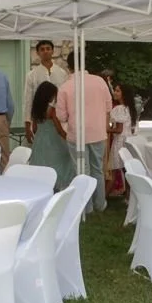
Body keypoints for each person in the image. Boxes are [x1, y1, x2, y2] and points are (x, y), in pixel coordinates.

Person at [56, 51, 113, 211]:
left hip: (76, 134)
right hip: (98, 131)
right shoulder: (100, 82)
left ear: (69, 66)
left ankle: (86, 206)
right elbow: (109, 107)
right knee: (97, 169)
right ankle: (100, 204)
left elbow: (61, 115)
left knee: (81, 171)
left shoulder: (65, 86)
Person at [27, 81, 76, 191]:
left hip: (39, 140)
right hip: (54, 141)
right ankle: (57, 186)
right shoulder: (52, 111)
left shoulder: (35, 110)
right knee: (61, 162)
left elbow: (34, 128)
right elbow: (59, 129)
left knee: (41, 164)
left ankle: (41, 187)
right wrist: (69, 138)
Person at [23, 40, 68, 145]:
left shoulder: (62, 73)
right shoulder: (32, 75)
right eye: (42, 49)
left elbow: (66, 97)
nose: (45, 51)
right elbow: (28, 100)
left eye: (48, 49)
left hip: (59, 118)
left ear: (52, 51)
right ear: (38, 53)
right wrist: (27, 125)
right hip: (40, 120)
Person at [107, 83, 137, 197]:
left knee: (114, 171)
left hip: (120, 142)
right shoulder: (131, 109)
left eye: (117, 91)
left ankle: (103, 197)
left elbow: (119, 129)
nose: (114, 92)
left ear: (124, 94)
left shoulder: (119, 109)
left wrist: (107, 129)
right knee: (127, 170)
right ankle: (129, 196)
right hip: (129, 141)